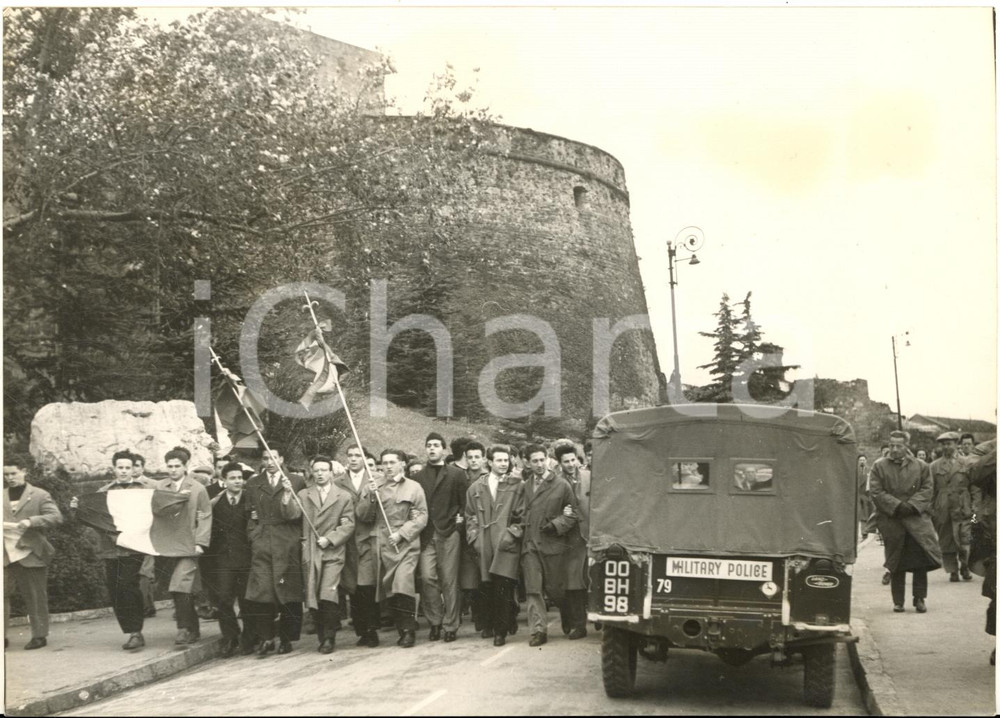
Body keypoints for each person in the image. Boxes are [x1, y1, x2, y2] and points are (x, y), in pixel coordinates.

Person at [73, 450, 157, 650]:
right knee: (117, 590)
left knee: (127, 584)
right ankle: (131, 631)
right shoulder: (104, 492)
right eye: (120, 467)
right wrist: (77, 507)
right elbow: (92, 519)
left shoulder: (144, 489)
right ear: (114, 469)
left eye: (128, 467)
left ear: (133, 469)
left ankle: (136, 631)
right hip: (111, 549)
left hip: (135, 548)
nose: (124, 471)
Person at [358, 448, 427, 648]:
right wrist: (370, 496)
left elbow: (422, 516)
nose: (387, 467)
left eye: (391, 462)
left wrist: (402, 533)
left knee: (403, 583)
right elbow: (362, 516)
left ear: (402, 464)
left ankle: (407, 631)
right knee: (389, 589)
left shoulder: (414, 487)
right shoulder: (373, 486)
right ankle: (400, 626)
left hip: (406, 544)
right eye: (384, 463)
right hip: (380, 544)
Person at [869, 430, 942, 613]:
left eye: (898, 445)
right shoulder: (879, 466)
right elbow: (876, 492)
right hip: (893, 521)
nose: (894, 449)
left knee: (920, 563)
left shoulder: (921, 466)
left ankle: (919, 599)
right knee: (896, 562)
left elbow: (927, 489)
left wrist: (911, 506)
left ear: (906, 446)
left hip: (916, 522)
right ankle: (898, 601)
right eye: (891, 445)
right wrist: (896, 506)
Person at [244, 444, 305, 656]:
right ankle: (267, 637)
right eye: (265, 458)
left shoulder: (296, 481)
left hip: (287, 542)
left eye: (273, 458)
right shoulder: (253, 483)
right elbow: (249, 514)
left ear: (281, 459)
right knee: (262, 592)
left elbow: (300, 516)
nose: (269, 463)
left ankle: (287, 639)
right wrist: (254, 535)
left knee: (288, 592)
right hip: (262, 543)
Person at [465, 445, 525, 646]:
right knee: (486, 586)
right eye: (499, 460)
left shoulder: (516, 485)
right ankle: (489, 624)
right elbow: (470, 515)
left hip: (506, 544)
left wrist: (511, 535)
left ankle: (501, 630)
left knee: (504, 587)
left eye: (506, 460)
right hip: (484, 544)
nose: (503, 464)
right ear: (489, 462)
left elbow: (522, 515)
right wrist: (474, 537)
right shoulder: (476, 487)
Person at [521, 443, 578, 647]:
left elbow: (572, 515)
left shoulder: (561, 485)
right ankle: (538, 630)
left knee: (556, 589)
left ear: (548, 460)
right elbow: (519, 512)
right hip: (530, 545)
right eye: (534, 461)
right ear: (527, 463)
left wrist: (555, 525)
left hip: (552, 544)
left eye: (542, 460)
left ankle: (567, 614)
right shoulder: (525, 485)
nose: (539, 464)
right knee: (533, 589)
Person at [3, 456, 63, 650]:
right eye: (5, 474)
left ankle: (39, 635)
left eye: (13, 473)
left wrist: (31, 521)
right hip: (4, 552)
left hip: (30, 552)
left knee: (35, 595)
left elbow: (55, 517)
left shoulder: (38, 494)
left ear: (24, 471)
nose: (10, 478)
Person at [412, 433, 467, 643]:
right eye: (428, 446)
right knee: (427, 578)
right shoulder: (418, 478)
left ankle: (450, 625)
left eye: (436, 445)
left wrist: (458, 527)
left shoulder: (456, 475)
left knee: (449, 580)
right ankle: (435, 622)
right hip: (426, 534)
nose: (432, 449)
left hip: (449, 532)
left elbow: (465, 504)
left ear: (444, 449)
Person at [155, 446, 212, 645]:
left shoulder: (197, 488)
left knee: (180, 585)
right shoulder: (161, 487)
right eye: (169, 466)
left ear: (185, 466)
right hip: (167, 545)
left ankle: (184, 629)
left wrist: (200, 542)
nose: (173, 470)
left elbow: (205, 515)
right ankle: (192, 628)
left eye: (177, 466)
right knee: (178, 588)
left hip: (189, 546)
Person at [298, 456, 355, 654]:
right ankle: (322, 636)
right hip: (311, 551)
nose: (320, 474)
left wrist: (330, 539)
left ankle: (329, 637)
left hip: (332, 551)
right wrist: (288, 495)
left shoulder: (343, 496)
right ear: (312, 473)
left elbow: (348, 524)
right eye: (317, 470)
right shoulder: (304, 495)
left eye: (324, 470)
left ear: (331, 473)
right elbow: (290, 514)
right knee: (313, 594)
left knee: (328, 592)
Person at [202, 462, 254, 657]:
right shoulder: (216, 503)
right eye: (232, 478)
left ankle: (249, 639)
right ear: (223, 481)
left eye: (239, 478)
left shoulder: (250, 500)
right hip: (224, 559)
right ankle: (231, 637)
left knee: (247, 600)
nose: (237, 481)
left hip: (247, 558)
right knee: (224, 599)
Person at [335, 444, 381, 647]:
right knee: (352, 587)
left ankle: (372, 630)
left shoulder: (374, 479)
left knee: (366, 587)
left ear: (364, 458)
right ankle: (361, 631)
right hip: (348, 541)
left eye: (357, 455)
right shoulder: (339, 482)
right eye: (350, 456)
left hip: (368, 537)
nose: (353, 459)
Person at [554, 443, 590, 640]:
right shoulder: (555, 482)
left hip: (589, 535)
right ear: (559, 463)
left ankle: (597, 618)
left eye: (572, 460)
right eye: (566, 461)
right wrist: (562, 513)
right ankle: (577, 624)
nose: (570, 464)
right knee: (572, 583)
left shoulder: (590, 477)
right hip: (568, 538)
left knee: (590, 580)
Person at [929, 432, 973, 582]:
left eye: (949, 443)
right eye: (944, 444)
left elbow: (974, 486)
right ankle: (953, 570)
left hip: (963, 506)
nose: (946, 447)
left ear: (956, 444)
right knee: (946, 541)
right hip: (943, 508)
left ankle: (965, 566)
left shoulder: (966, 462)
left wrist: (974, 506)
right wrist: (932, 509)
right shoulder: (934, 466)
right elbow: (930, 490)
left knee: (965, 540)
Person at [461, 441, 489, 632]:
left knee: (487, 578)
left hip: (486, 533)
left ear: (483, 458)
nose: (473, 460)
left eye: (477, 457)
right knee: (472, 580)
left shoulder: (488, 477)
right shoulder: (461, 478)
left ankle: (488, 619)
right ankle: (479, 616)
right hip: (467, 534)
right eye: (470, 457)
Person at [130, 454, 158, 619]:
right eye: (131, 466)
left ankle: (147, 606)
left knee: (146, 571)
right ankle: (146, 605)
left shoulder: (153, 485)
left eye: (137, 466)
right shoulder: (121, 486)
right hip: (131, 534)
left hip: (150, 532)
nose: (134, 469)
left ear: (143, 467)